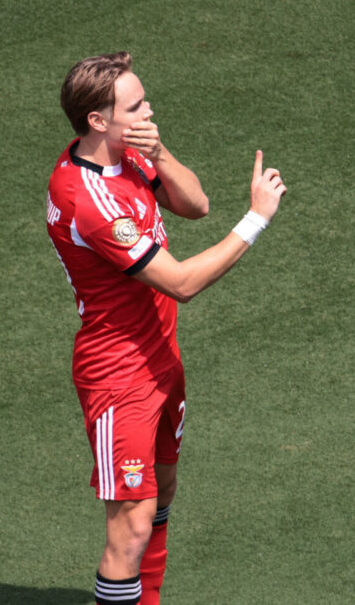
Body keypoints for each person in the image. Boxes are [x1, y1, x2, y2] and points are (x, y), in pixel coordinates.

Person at [45, 51, 286, 605]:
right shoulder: (88, 200)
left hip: (160, 359)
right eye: (136, 106)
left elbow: (195, 205)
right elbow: (179, 282)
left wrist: (157, 150)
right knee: (129, 527)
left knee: (162, 493)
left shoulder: (125, 156)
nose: (149, 110)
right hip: (117, 376)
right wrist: (256, 219)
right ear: (98, 121)